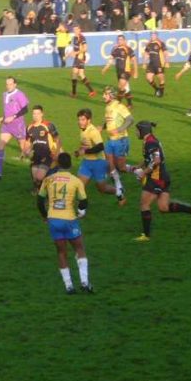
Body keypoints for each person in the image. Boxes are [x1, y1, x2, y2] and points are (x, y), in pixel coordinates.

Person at [131, 121, 191, 241]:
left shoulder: (151, 143)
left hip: (156, 178)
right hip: (163, 177)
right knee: (163, 207)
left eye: (137, 130)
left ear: (143, 131)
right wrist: (138, 166)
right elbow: (148, 158)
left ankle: (146, 235)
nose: (135, 132)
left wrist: (143, 173)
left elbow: (156, 160)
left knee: (144, 204)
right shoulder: (150, 140)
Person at [37, 153, 93, 295]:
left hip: (53, 220)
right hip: (69, 220)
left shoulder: (48, 180)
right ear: (70, 165)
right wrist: (81, 212)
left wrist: (45, 216)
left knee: (61, 252)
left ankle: (69, 286)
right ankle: (84, 282)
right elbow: (83, 201)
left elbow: (39, 201)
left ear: (58, 165)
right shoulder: (76, 181)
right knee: (79, 249)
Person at [74, 108, 125, 205]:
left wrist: (85, 151)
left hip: (98, 162)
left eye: (83, 120)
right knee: (80, 185)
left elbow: (100, 146)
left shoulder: (93, 131)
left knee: (102, 189)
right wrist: (79, 151)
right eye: (79, 119)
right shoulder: (83, 129)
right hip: (86, 162)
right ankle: (81, 208)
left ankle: (119, 192)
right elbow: (86, 144)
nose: (80, 122)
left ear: (89, 120)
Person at [0, 77, 29, 180]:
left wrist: (13, 117)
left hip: (18, 125)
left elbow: (25, 109)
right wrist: (3, 118)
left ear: (15, 84)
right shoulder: (4, 95)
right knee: (0, 146)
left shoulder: (19, 94)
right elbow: (8, 110)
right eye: (7, 84)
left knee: (24, 149)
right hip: (7, 126)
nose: (8, 86)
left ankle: (40, 164)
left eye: (10, 84)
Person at [102, 85, 134, 198]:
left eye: (105, 94)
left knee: (121, 167)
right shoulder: (107, 107)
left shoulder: (119, 106)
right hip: (110, 140)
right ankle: (118, 185)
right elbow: (108, 121)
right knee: (110, 163)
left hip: (121, 140)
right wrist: (102, 127)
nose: (103, 96)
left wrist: (119, 129)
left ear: (111, 95)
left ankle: (139, 171)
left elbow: (130, 119)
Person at [26, 105, 61, 194]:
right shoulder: (29, 127)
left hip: (47, 156)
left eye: (38, 113)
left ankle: (45, 192)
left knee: (39, 176)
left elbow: (58, 140)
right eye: (34, 113)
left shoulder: (48, 125)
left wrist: (56, 153)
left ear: (42, 114)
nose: (35, 115)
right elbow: (29, 142)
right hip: (36, 156)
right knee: (35, 179)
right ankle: (39, 190)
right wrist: (26, 150)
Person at [102, 34, 138, 108]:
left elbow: (134, 60)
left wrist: (135, 72)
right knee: (125, 88)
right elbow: (111, 59)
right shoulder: (115, 49)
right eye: (118, 40)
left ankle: (117, 103)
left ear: (124, 41)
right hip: (118, 71)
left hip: (126, 71)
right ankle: (130, 104)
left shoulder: (128, 49)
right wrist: (106, 67)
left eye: (121, 39)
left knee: (120, 87)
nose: (119, 41)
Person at [66, 25, 95, 98]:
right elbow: (75, 48)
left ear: (79, 30)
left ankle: (74, 93)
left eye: (76, 30)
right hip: (78, 57)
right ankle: (91, 91)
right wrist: (69, 54)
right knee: (81, 74)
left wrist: (76, 53)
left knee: (74, 74)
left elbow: (85, 48)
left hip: (80, 57)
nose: (74, 31)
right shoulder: (74, 38)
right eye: (74, 30)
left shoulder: (81, 37)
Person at [143, 31, 168, 97]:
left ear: (156, 36)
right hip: (151, 64)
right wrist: (144, 63)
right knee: (148, 78)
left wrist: (167, 62)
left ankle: (161, 93)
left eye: (154, 35)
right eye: (151, 35)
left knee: (161, 78)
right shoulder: (149, 44)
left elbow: (165, 52)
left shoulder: (160, 43)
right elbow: (146, 54)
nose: (152, 36)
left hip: (159, 63)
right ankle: (157, 89)